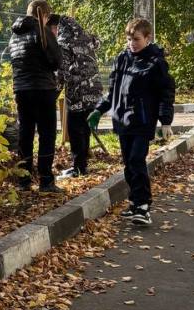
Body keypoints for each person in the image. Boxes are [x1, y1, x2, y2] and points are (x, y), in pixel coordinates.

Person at [88, 18, 174, 226]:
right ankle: (134, 203)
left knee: (136, 159)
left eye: (136, 39)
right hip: (122, 120)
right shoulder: (122, 58)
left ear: (148, 38)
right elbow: (113, 90)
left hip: (143, 121)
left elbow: (166, 93)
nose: (132, 43)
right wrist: (99, 110)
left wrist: (165, 121)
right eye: (129, 39)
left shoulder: (156, 62)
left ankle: (143, 206)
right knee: (128, 163)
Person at [8, 0, 64, 193]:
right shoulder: (43, 31)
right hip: (43, 88)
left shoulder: (14, 35)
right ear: (46, 15)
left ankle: (23, 180)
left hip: (21, 89)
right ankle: (46, 180)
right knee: (47, 134)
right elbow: (56, 61)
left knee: (26, 133)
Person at [54, 15, 103, 177]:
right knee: (85, 127)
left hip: (77, 92)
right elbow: (97, 42)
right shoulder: (86, 37)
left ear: (57, 27)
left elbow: (62, 72)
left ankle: (78, 167)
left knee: (75, 130)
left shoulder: (63, 42)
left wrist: (53, 93)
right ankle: (82, 166)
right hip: (94, 90)